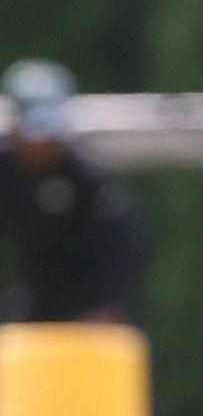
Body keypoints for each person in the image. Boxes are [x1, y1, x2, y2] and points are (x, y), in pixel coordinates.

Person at [0, 59, 150, 325]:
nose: (42, 145)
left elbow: (125, 247)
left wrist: (110, 306)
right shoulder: (6, 169)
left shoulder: (88, 178)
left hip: (92, 302)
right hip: (35, 297)